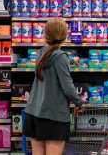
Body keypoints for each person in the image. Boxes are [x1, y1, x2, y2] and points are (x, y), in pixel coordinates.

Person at [24, 18, 85, 155]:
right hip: (53, 116)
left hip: (33, 114)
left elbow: (51, 62)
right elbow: (68, 87)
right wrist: (79, 103)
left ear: (45, 36)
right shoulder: (60, 57)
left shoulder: (40, 53)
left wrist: (70, 61)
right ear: (65, 37)